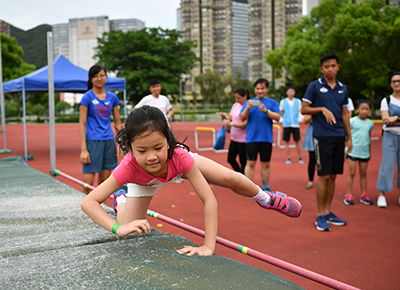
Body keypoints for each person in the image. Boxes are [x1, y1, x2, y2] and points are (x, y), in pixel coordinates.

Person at [81, 106, 302, 256]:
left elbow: (209, 200)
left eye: (158, 147)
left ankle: (264, 197)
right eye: (142, 150)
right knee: (128, 233)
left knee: (229, 176)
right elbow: (89, 202)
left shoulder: (179, 156)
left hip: (175, 167)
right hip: (142, 182)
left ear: (168, 142)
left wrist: (208, 245)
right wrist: (117, 227)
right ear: (130, 149)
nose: (151, 156)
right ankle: (121, 200)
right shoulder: (128, 167)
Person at [301, 52, 352, 232]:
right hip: (321, 136)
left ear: (338, 67)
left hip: (339, 136)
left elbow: (345, 113)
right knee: (323, 175)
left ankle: (329, 212)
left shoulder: (342, 88)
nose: (330, 69)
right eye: (327, 66)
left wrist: (349, 137)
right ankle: (320, 215)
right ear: (321, 69)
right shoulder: (314, 86)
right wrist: (321, 108)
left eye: (333, 65)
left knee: (332, 176)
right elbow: (303, 109)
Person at [79, 64, 121, 194]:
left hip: (108, 142)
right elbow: (81, 124)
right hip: (93, 141)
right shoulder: (87, 97)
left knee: (104, 184)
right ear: (91, 79)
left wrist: (119, 143)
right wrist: (84, 150)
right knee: (88, 184)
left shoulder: (112, 97)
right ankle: (82, 209)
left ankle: (98, 209)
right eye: (96, 76)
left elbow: (118, 121)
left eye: (102, 75)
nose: (99, 78)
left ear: (106, 77)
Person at [240, 78, 280, 191]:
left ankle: (265, 187)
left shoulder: (272, 102)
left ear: (267, 89)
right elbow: (242, 117)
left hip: (266, 138)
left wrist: (266, 111)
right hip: (251, 138)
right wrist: (247, 108)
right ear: (254, 89)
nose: (260, 91)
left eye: (262, 88)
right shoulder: (249, 102)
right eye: (257, 88)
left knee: (265, 163)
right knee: (250, 163)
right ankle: (248, 187)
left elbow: (277, 117)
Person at [376, 72, 400, 208]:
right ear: (390, 84)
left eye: (399, 81)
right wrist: (391, 120)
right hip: (390, 137)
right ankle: (381, 194)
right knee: (387, 165)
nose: (397, 83)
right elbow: (386, 120)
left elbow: (391, 120)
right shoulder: (387, 101)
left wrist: (395, 118)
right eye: (394, 81)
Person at [344, 100, 374, 205]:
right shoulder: (352, 121)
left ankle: (364, 194)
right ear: (357, 110)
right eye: (362, 109)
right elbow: (347, 136)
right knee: (351, 173)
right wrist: (347, 147)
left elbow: (368, 138)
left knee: (363, 174)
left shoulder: (370, 123)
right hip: (353, 151)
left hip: (364, 152)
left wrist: (369, 152)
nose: (364, 111)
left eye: (367, 109)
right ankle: (348, 194)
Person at [220, 87, 249, 174]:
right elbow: (231, 118)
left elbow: (245, 124)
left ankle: (244, 178)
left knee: (243, 161)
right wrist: (225, 117)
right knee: (230, 159)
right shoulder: (235, 105)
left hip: (243, 139)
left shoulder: (247, 107)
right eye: (236, 98)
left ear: (245, 96)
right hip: (234, 138)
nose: (237, 100)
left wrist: (231, 124)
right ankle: (240, 174)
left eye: (239, 98)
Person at [279, 86, 304, 164]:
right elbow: (281, 112)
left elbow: (300, 112)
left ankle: (300, 157)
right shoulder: (283, 102)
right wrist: (284, 120)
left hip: (296, 124)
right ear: (286, 92)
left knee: (297, 140)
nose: (291, 93)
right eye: (289, 91)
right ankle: (288, 157)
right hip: (286, 124)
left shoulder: (298, 101)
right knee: (286, 141)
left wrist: (299, 120)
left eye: (292, 91)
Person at [302, 115, 316, 189]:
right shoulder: (310, 107)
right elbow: (306, 120)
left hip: (324, 133)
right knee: (312, 158)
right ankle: (311, 180)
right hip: (312, 134)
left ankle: (323, 179)